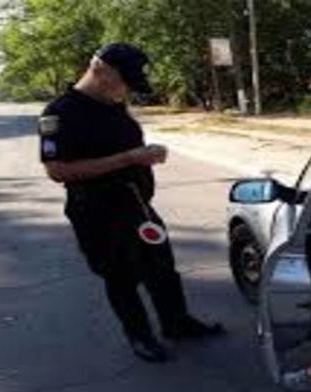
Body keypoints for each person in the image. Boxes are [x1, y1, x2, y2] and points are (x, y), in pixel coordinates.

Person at [39, 43, 223, 363]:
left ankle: (177, 324)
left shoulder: (113, 105)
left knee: (163, 269)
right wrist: (128, 158)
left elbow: (123, 148)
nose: (127, 90)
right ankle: (140, 337)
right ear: (100, 69)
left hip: (137, 205)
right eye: (124, 81)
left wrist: (146, 155)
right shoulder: (59, 113)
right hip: (95, 210)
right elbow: (58, 171)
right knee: (120, 277)